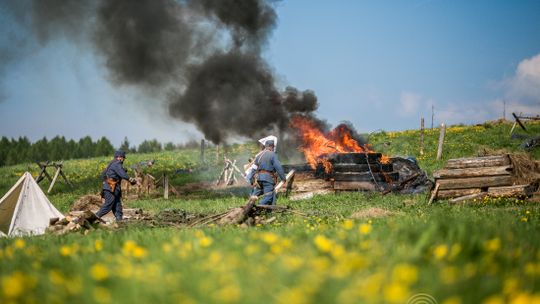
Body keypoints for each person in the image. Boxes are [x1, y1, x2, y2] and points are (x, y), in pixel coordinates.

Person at [97, 150, 137, 221]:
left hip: (114, 188)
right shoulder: (117, 163)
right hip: (110, 188)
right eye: (123, 158)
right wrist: (131, 179)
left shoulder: (112, 163)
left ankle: (119, 221)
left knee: (117, 205)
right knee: (108, 205)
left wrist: (105, 183)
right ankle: (94, 217)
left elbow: (104, 174)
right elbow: (122, 174)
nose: (124, 159)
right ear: (119, 157)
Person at [249, 140, 286, 205]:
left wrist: (251, 180)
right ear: (271, 147)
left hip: (259, 179)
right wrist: (283, 178)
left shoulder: (259, 155)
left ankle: (249, 205)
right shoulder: (272, 155)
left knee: (254, 196)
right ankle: (258, 207)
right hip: (267, 179)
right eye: (273, 147)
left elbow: (253, 168)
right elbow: (278, 167)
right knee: (269, 196)